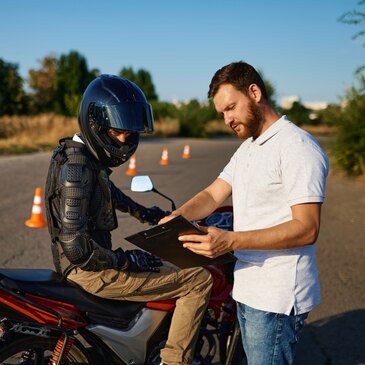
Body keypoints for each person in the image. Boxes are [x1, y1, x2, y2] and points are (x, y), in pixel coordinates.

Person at [160, 61, 329, 364]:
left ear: (254, 92)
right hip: (248, 288)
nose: (227, 119)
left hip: (277, 296)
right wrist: (179, 217)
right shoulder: (250, 148)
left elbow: (307, 228)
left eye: (231, 108)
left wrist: (229, 241)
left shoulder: (297, 147)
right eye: (222, 113)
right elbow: (213, 193)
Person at [44, 74, 212, 365]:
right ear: (96, 124)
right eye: (117, 132)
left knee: (161, 262)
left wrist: (145, 213)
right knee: (198, 279)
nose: (125, 139)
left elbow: (110, 193)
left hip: (92, 266)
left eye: (129, 132)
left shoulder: (82, 158)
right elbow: (77, 249)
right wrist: (125, 261)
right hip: (91, 272)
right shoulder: (76, 169)